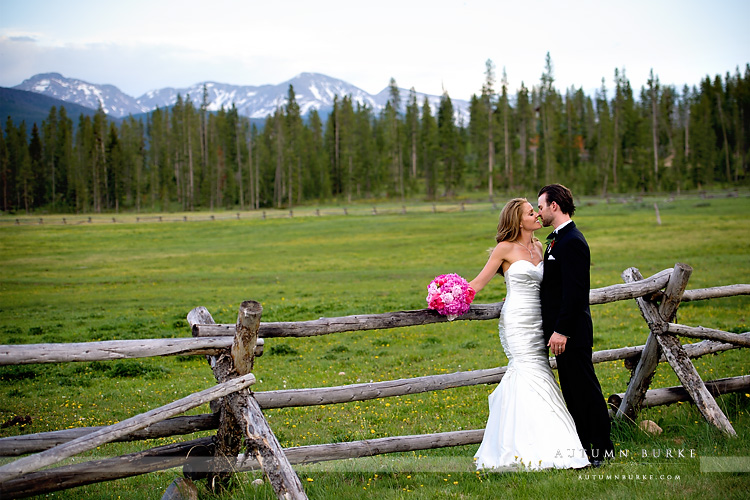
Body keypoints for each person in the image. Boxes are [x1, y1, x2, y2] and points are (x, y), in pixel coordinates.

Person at [469, 198, 590, 470]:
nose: (537, 214)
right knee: (526, 370)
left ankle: (549, 441)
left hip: (541, 320)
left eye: (536, 210)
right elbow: (477, 284)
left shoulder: (541, 246)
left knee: (542, 370)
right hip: (517, 320)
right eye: (530, 212)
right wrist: (448, 296)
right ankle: (525, 446)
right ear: (517, 220)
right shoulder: (504, 249)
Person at [537, 184, 615, 466]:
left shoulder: (573, 241)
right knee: (572, 391)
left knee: (586, 390)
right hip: (561, 333)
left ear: (555, 206)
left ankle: (603, 449)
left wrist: (562, 331)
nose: (539, 212)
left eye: (542, 206)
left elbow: (576, 292)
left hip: (572, 334)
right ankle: (584, 446)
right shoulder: (557, 239)